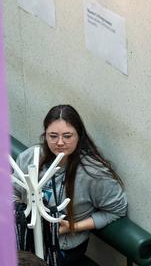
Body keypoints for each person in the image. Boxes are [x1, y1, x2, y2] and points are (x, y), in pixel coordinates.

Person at [14, 105, 127, 266]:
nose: (60, 142)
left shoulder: (93, 173)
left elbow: (117, 210)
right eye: (53, 136)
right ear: (45, 135)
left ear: (79, 136)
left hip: (64, 248)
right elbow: (12, 192)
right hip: (26, 237)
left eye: (67, 136)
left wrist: (73, 226)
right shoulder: (31, 157)